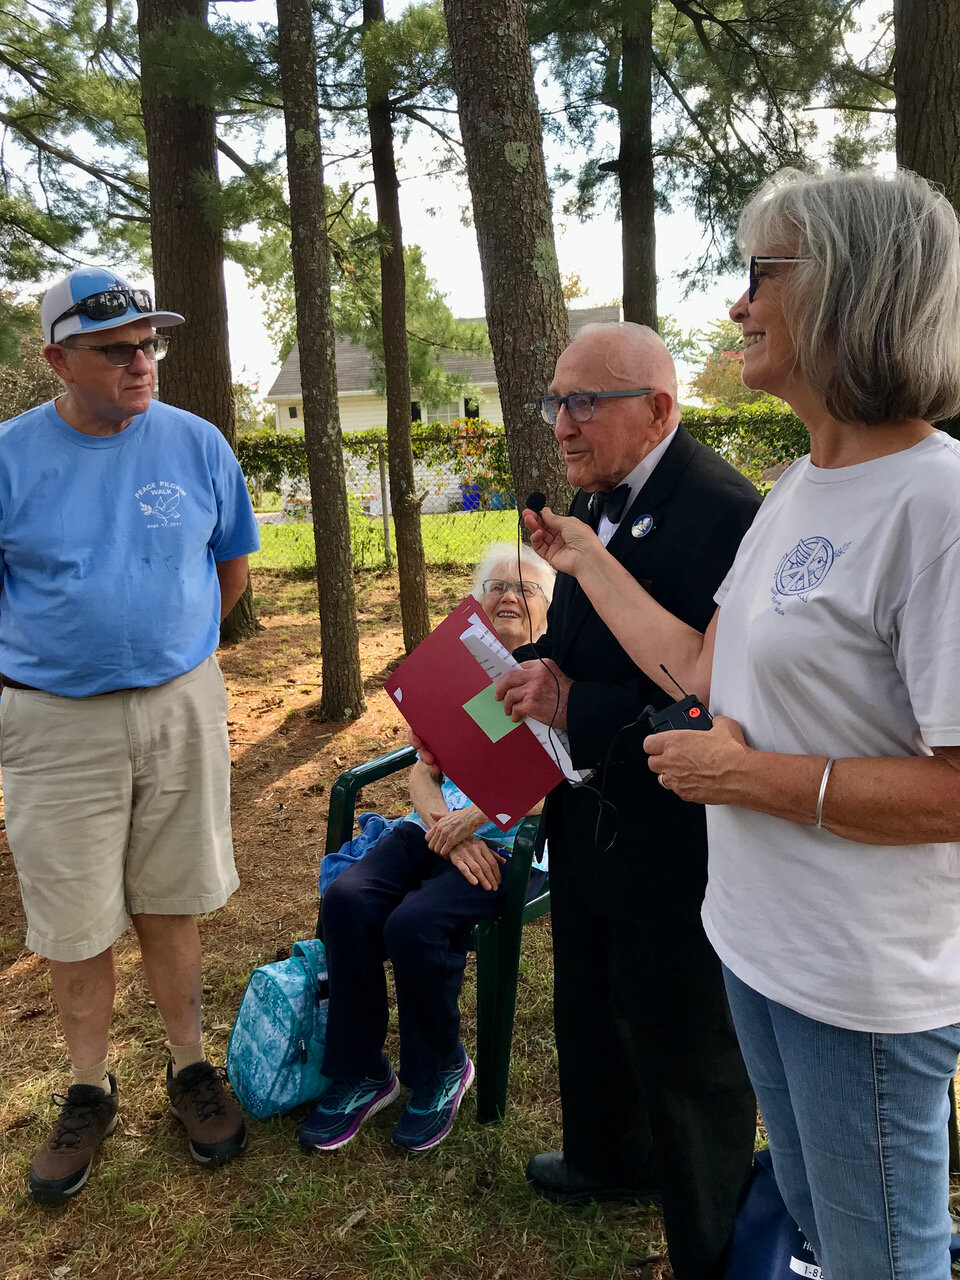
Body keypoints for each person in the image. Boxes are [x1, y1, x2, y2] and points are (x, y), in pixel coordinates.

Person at [523, 168, 960, 1280]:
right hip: (758, 948)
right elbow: (694, 662)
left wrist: (756, 778)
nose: (738, 306)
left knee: (881, 1258)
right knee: (818, 1234)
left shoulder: (937, 503)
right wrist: (583, 558)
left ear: (854, 286)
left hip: (857, 980)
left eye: (763, 274)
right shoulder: (802, 484)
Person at [492, 323, 761, 1280]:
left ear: (658, 409)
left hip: (673, 826)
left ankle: (710, 1237)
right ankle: (611, 1157)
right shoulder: (592, 496)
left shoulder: (724, 511)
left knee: (684, 1038)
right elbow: (583, 630)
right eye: (554, 401)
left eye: (584, 403)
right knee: (593, 1000)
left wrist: (578, 701)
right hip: (588, 804)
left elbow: (716, 695)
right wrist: (531, 671)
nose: (562, 424)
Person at [5, 265, 260, 1205]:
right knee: (74, 918)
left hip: (179, 704)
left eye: (148, 342)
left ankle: (189, 1066)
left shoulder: (197, 445)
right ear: (56, 360)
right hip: (52, 719)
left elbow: (230, 568)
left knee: (171, 894)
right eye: (115, 350)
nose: (140, 362)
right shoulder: (7, 459)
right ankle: (87, 1085)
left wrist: (172, 649)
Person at [297, 545, 553, 1156]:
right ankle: (361, 1071)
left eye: (526, 588)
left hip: (515, 844)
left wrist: (474, 821)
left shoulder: (555, 681)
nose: (509, 595)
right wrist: (442, 824)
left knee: (413, 924)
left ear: (549, 611)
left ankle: (441, 1068)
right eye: (494, 585)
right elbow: (423, 771)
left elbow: (561, 787)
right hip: (438, 828)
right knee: (348, 897)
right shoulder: (458, 676)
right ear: (475, 601)